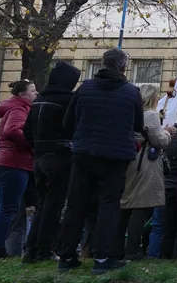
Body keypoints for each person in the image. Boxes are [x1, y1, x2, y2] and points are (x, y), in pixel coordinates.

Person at [56, 49, 146, 274]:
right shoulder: (132, 92)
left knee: (75, 204)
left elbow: (68, 122)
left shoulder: (84, 88)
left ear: (103, 64)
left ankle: (66, 256)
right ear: (124, 66)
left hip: (85, 153)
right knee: (109, 205)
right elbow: (137, 126)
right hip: (115, 156)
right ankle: (103, 258)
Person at [23, 61, 81, 263]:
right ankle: (44, 249)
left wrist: (38, 147)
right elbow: (75, 126)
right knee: (54, 205)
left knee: (42, 204)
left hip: (39, 157)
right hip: (61, 156)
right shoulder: (69, 100)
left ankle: (31, 248)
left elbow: (26, 131)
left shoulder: (38, 101)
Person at [119, 84, 172, 260]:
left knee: (126, 206)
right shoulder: (150, 115)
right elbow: (159, 141)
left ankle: (118, 247)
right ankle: (133, 250)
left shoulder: (129, 112)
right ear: (153, 98)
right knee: (140, 206)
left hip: (129, 160)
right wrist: (167, 133)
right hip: (144, 164)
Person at [0, 79, 37, 260]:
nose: (36, 94)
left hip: (11, 161)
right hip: (14, 162)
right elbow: (13, 131)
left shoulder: (15, 107)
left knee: (6, 208)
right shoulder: (19, 108)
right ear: (22, 94)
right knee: (7, 209)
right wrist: (33, 144)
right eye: (33, 91)